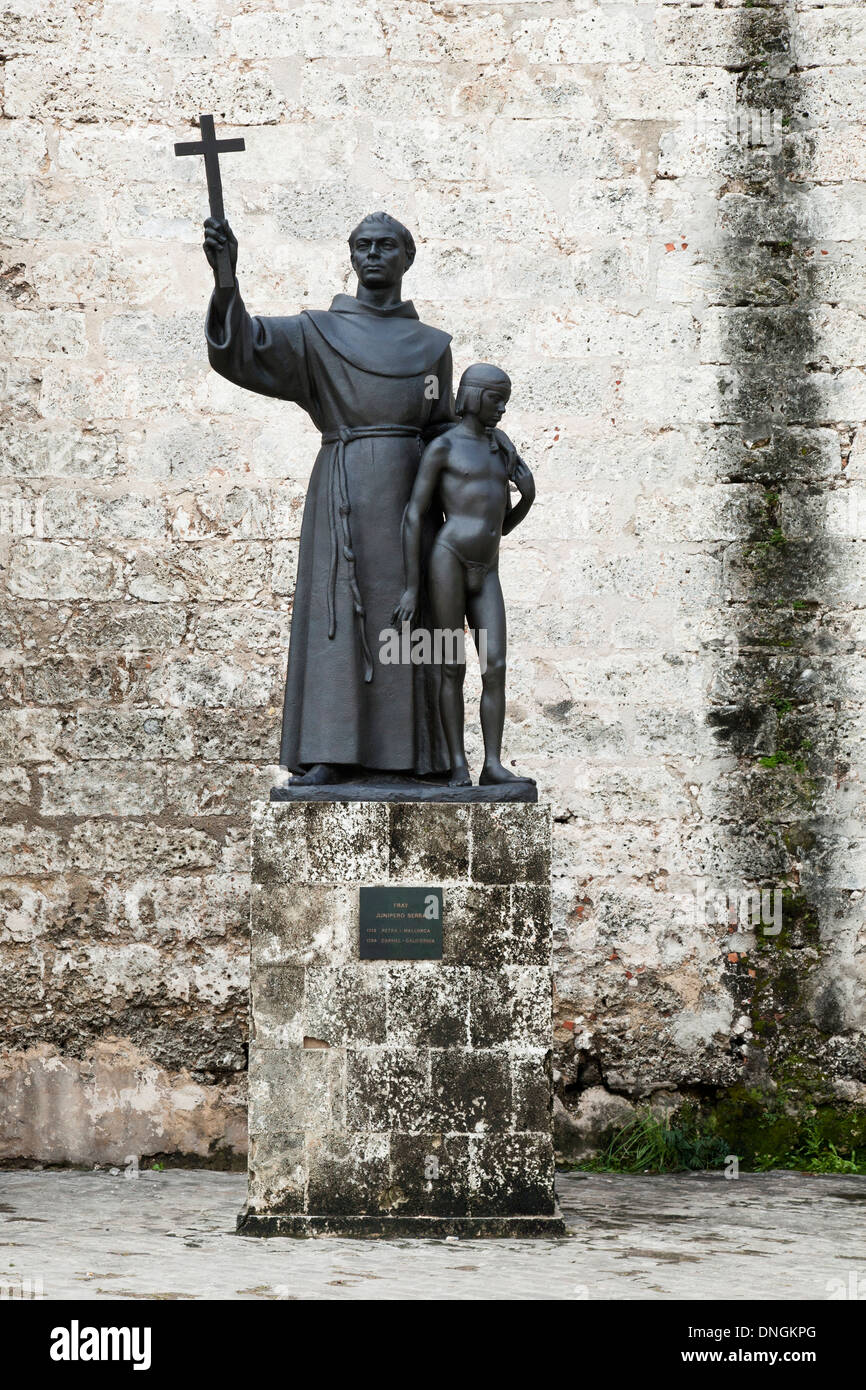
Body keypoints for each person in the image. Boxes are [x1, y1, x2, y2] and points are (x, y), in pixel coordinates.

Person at [203, 211, 454, 784]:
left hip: (412, 498)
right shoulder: (316, 334)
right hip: (343, 490)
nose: (372, 254)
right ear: (351, 255)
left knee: (412, 622)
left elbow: (440, 422)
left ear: (406, 258)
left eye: (386, 245)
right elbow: (242, 347)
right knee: (336, 617)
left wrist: (483, 469)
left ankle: (421, 757)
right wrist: (226, 280)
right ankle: (330, 751)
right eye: (363, 245)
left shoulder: (433, 348)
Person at [394, 363, 536, 786]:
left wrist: (526, 497)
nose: (503, 409)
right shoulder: (445, 447)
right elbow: (414, 515)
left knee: (495, 666)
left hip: (487, 567)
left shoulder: (501, 448)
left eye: (506, 400)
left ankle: (492, 764)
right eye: (497, 399)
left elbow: (500, 525)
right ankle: (458, 763)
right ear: (474, 396)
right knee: (450, 664)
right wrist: (411, 588)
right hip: (448, 560)